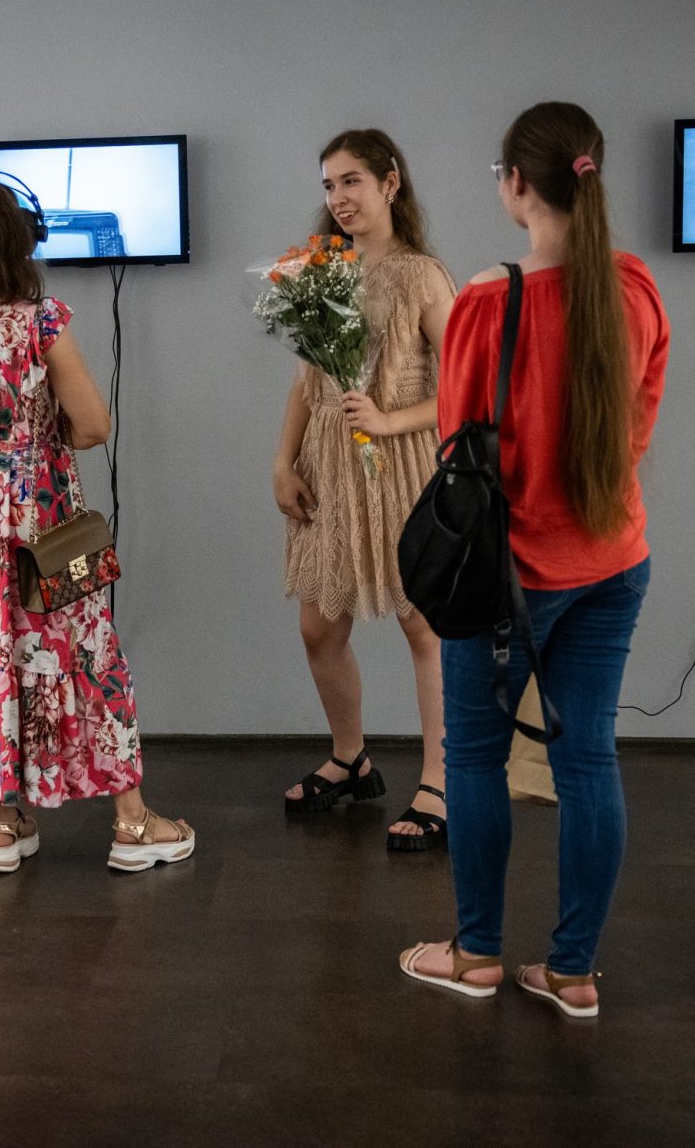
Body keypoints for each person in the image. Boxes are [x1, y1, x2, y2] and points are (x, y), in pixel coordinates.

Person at [400, 102, 669, 1019]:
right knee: (588, 758)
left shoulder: (486, 300)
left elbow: (456, 444)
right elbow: (635, 430)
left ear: (517, 184)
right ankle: (573, 972)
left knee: (473, 758)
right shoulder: (635, 290)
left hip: (504, 580)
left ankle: (476, 954)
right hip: (612, 560)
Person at [0, 174, 194, 874]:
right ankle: (133, 823)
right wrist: (28, 433)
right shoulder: (40, 320)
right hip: (45, 523)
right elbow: (92, 425)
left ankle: (1, 826)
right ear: (18, 239)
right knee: (88, 648)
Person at [274, 129, 457, 851]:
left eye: (351, 181)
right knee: (319, 624)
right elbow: (304, 379)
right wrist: (281, 462)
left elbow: (470, 389)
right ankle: (351, 758)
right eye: (328, 185)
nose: (338, 198)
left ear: (390, 182)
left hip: (402, 462)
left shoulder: (423, 274)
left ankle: (440, 782)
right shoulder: (321, 268)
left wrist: (388, 419)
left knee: (423, 624)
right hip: (328, 463)